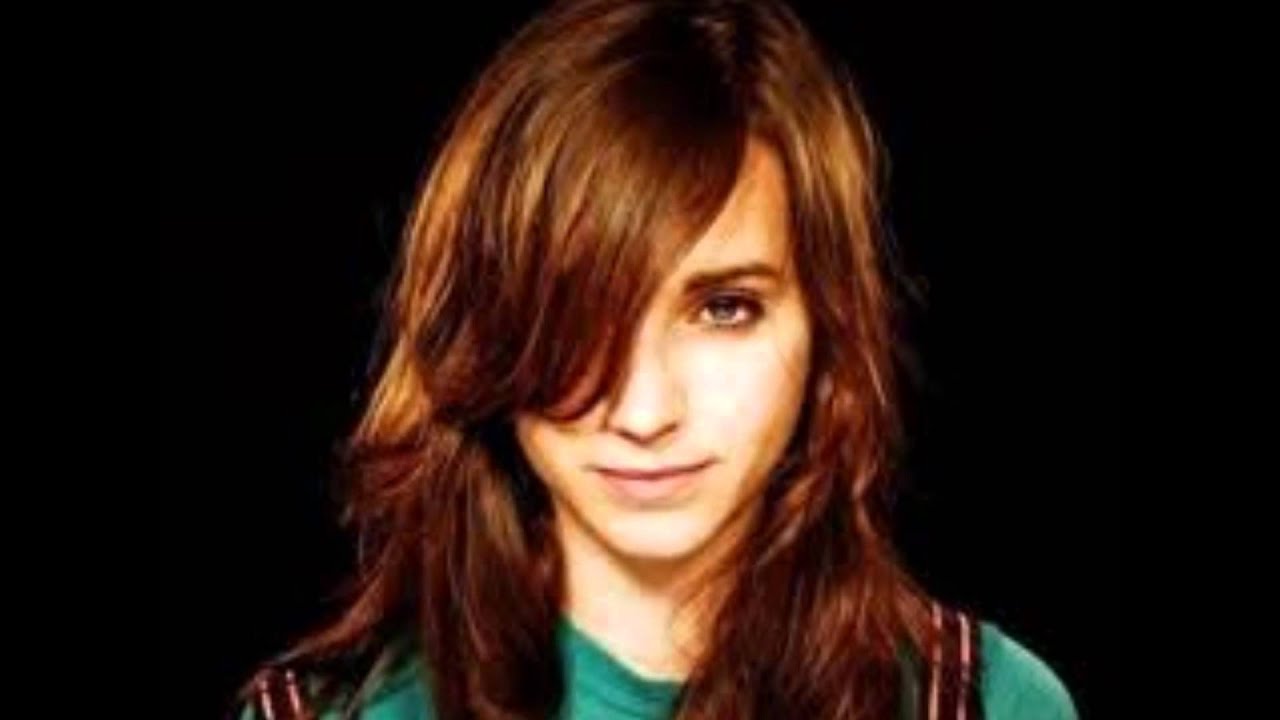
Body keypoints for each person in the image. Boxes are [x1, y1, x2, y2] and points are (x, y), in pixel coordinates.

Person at [241, 0, 1077, 717]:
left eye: (724, 309)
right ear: (485, 328)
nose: (645, 411)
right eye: (580, 310)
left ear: (829, 324)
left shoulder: (983, 702)